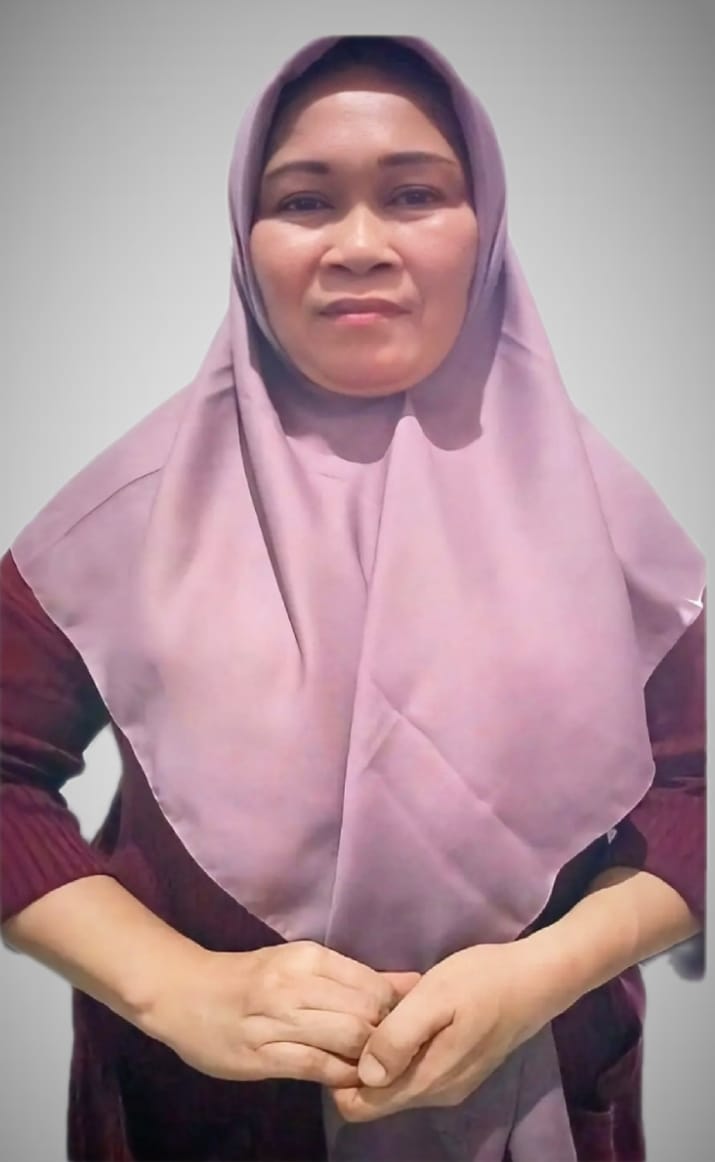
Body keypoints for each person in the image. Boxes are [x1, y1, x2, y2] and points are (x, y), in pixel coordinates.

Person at [0, 33, 705, 1162]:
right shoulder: (124, 519)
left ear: (484, 226)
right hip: (200, 1116)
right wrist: (178, 986)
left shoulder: (603, 524)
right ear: (247, 238)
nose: (359, 246)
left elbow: (693, 790)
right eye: (304, 201)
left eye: (414, 194)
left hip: (542, 1098)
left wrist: (541, 973)